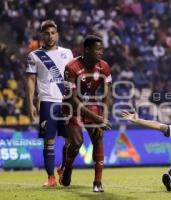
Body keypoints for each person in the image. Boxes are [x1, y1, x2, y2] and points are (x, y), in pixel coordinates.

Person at [60, 35, 112, 192]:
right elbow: (73, 99)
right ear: (87, 50)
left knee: (98, 137)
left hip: (93, 104)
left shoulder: (104, 66)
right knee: (77, 142)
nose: (101, 52)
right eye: (98, 49)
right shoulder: (71, 68)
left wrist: (103, 118)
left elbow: (107, 95)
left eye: (102, 49)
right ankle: (67, 167)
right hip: (72, 107)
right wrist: (96, 117)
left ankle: (97, 182)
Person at [25, 20, 73, 187]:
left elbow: (73, 77)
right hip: (47, 101)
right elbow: (31, 80)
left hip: (66, 102)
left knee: (70, 140)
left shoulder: (67, 53)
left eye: (53, 33)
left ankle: (63, 168)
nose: (50, 36)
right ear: (42, 35)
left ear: (57, 34)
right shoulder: (34, 56)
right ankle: (51, 178)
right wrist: (31, 103)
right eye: (47, 33)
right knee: (49, 140)